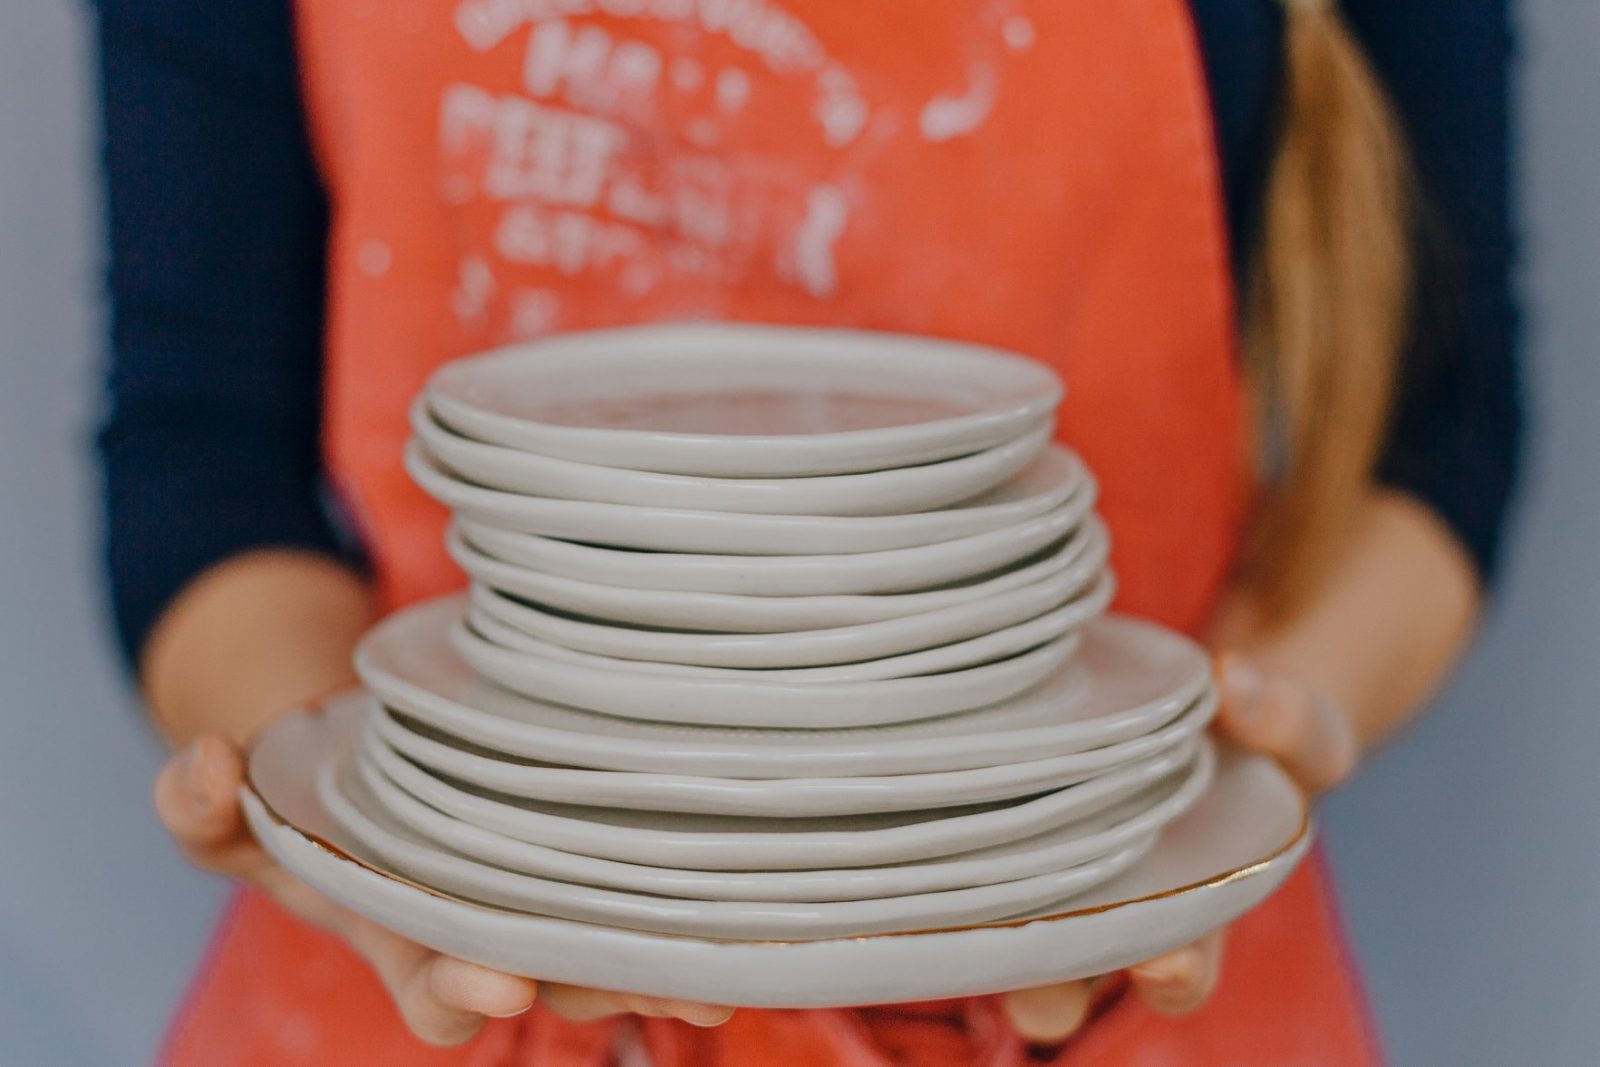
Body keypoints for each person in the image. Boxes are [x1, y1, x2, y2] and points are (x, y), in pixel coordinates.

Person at [94, 0, 1520, 1062]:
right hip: (455, 973)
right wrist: (341, 805)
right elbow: (199, 459)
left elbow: (1443, 421)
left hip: (1124, 937)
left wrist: (1248, 748)